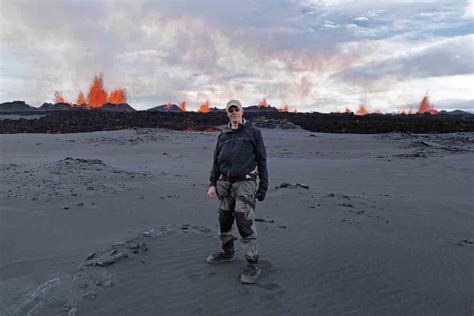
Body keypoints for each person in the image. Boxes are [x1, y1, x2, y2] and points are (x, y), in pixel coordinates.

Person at [206, 99, 268, 284]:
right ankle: (228, 252)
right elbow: (216, 162)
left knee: (244, 221)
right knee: (224, 219)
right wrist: (212, 183)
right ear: (227, 113)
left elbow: (262, 160)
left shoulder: (253, 133)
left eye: (236, 109)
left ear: (242, 112)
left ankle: (252, 263)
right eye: (230, 110)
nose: (233, 112)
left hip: (245, 184)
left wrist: (263, 186)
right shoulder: (223, 135)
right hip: (225, 184)